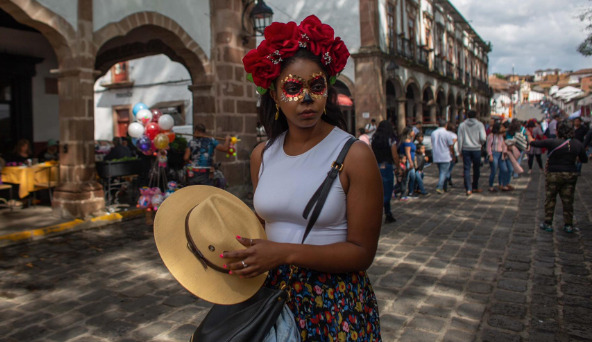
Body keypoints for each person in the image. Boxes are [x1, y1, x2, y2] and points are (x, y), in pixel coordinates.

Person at [227, 15, 382, 340]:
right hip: (271, 300)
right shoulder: (262, 156)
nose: (307, 98)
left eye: (317, 85)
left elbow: (361, 252)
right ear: (274, 94)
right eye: (294, 88)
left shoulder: (354, 155)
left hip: (334, 304)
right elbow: (262, 227)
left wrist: (282, 253)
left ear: (328, 89)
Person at [530, 121, 588, 233]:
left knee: (550, 198)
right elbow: (584, 159)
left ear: (558, 131)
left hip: (554, 174)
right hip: (570, 174)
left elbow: (535, 143)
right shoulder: (577, 144)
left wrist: (528, 136)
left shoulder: (552, 142)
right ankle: (568, 225)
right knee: (568, 200)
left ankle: (548, 223)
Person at [371, 120, 398, 223]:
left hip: (376, 166)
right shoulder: (390, 139)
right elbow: (394, 155)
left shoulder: (374, 138)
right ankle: (374, 213)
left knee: (379, 191)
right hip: (386, 166)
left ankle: (388, 213)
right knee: (387, 191)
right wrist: (398, 167)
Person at [457, 110, 487, 196]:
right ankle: (475, 186)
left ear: (467, 116)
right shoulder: (480, 125)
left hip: (466, 149)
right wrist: (480, 143)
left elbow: (460, 139)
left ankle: (468, 188)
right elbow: (483, 138)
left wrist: (460, 150)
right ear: (476, 116)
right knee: (476, 168)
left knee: (466, 168)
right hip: (476, 149)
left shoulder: (462, 125)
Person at [431, 120, 455, 194]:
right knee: (444, 173)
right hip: (445, 155)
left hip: (436, 155)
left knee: (442, 172)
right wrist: (453, 154)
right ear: (446, 125)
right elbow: (451, 145)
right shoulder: (447, 134)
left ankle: (444, 187)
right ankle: (439, 187)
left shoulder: (433, 133)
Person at [486, 122, 509, 192]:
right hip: (494, 153)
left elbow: (504, 144)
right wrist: (490, 155)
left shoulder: (501, 136)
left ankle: (503, 184)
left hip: (501, 154)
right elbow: (488, 146)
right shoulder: (491, 136)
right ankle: (491, 185)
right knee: (494, 170)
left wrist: (505, 151)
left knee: (504, 169)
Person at [398, 127, 417, 200]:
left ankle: (410, 192)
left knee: (412, 176)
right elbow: (408, 153)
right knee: (406, 178)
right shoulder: (406, 142)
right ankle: (402, 193)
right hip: (407, 162)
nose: (414, 133)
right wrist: (411, 162)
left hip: (410, 161)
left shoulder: (410, 141)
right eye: (412, 131)